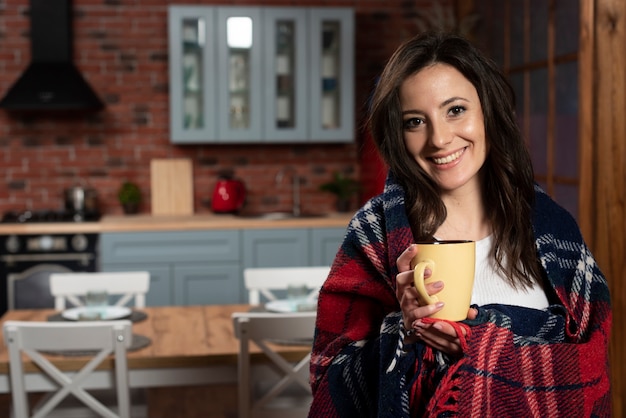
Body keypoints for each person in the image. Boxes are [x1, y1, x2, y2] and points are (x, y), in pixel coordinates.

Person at [309, 31, 612, 417]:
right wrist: (402, 332)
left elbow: (590, 358)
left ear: (487, 109)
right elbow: (329, 380)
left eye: (455, 110)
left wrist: (478, 339)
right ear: (398, 136)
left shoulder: (553, 229)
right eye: (415, 121)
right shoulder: (376, 233)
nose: (440, 139)